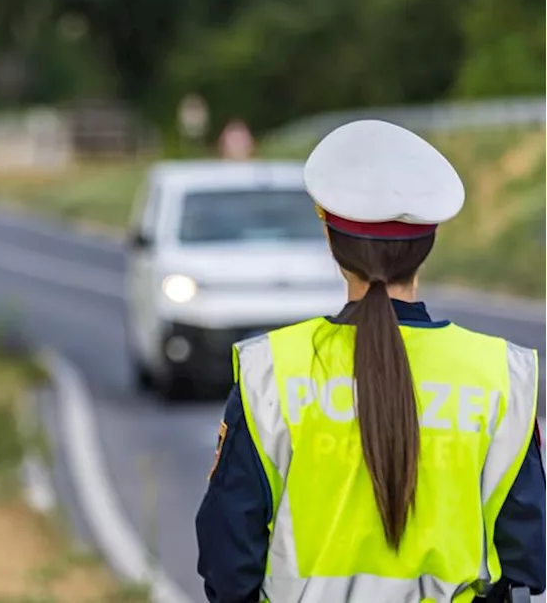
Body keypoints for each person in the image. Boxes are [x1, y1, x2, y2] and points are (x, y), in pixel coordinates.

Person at [195, 119, 547, 603]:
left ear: (331, 240)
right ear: (429, 241)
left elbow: (227, 563)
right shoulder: (499, 376)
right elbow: (530, 556)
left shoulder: (270, 372)